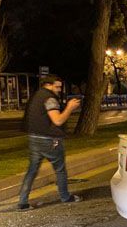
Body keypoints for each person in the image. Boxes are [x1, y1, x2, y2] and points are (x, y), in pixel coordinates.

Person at [18, 75, 82, 210]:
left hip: (34, 138)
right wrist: (70, 108)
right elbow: (57, 120)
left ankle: (22, 202)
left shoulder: (35, 96)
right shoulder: (50, 99)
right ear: (49, 85)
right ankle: (65, 197)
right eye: (57, 86)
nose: (59, 90)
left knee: (32, 170)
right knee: (60, 170)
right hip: (50, 140)